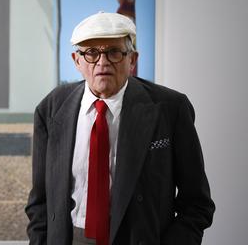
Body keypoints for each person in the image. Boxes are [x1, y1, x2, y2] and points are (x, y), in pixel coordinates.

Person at [25, 12, 214, 244]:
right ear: (77, 60)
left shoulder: (170, 109)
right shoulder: (51, 109)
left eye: (114, 52)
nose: (102, 62)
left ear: (132, 60)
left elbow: (197, 203)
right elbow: (40, 201)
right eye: (92, 53)